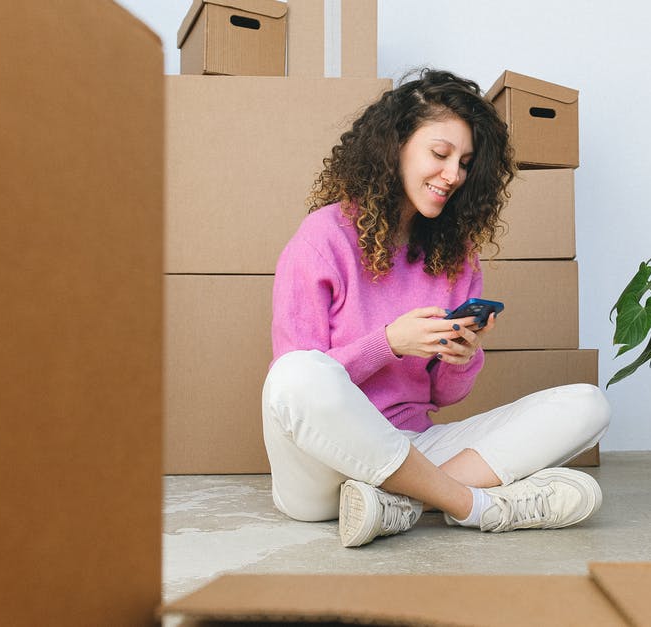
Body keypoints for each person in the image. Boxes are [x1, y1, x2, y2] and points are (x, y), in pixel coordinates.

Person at [262, 69, 611, 548]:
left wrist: (462, 357)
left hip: (414, 446)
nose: (454, 175)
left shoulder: (455, 254)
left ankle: (398, 503)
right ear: (395, 147)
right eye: (440, 154)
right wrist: (388, 343)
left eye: (465, 162)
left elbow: (444, 399)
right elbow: (299, 383)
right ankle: (473, 505)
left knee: (587, 404)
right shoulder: (324, 238)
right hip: (323, 468)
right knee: (295, 375)